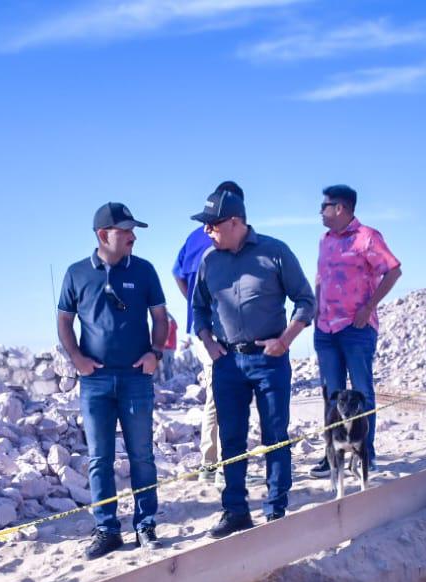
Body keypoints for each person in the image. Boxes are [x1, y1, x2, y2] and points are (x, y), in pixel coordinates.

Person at [189, 188, 315, 537]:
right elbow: (197, 308)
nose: (206, 232)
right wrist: (208, 341)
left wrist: (285, 340)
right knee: (231, 439)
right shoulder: (209, 262)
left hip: (269, 361)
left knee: (274, 433)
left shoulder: (275, 252)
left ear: (234, 222)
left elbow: (305, 300)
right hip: (227, 363)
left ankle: (276, 508)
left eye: (212, 225)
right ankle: (235, 510)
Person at [56, 202, 169, 559]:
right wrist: (77, 359)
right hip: (95, 383)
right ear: (104, 235)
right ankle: (107, 530)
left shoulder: (146, 271)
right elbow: (64, 322)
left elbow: (161, 318)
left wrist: (155, 353)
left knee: (142, 456)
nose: (134, 237)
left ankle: (145, 525)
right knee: (99, 459)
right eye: (126, 231)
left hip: (136, 379)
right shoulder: (76, 274)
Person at [310, 183, 400, 477]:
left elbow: (393, 270)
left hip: (356, 328)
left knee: (361, 393)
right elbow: (320, 277)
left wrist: (369, 307)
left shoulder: (367, 237)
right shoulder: (324, 240)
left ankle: (365, 453)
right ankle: (332, 454)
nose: (320, 211)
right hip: (325, 329)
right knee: (332, 395)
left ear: (340, 208)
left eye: (325, 206)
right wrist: (314, 309)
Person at [172, 180, 242, 482]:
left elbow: (177, 273)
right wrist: (200, 307)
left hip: (204, 329)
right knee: (219, 396)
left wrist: (192, 303)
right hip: (213, 333)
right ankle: (211, 465)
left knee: (221, 395)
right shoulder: (221, 240)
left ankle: (217, 463)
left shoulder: (192, 237)